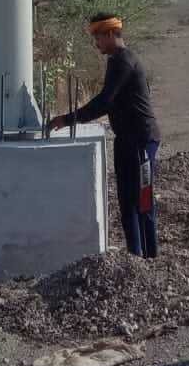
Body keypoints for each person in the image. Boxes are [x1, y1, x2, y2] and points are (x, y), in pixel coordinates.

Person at [47, 13, 161, 259]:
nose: (95, 43)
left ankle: (150, 260)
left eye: (97, 37)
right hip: (128, 140)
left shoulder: (123, 61)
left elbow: (104, 103)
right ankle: (137, 259)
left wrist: (67, 119)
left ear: (110, 34)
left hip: (141, 141)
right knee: (129, 204)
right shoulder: (119, 60)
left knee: (142, 202)